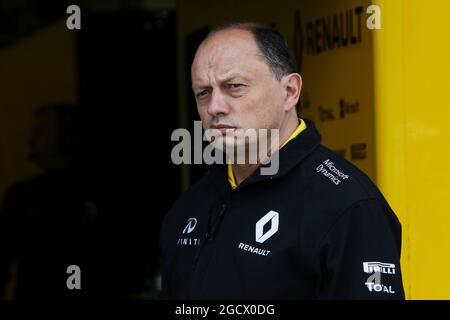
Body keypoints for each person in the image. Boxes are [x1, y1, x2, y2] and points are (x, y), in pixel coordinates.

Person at [160, 22, 404, 299]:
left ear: (290, 91)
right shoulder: (189, 207)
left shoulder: (348, 207)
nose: (214, 107)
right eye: (203, 92)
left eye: (234, 87)